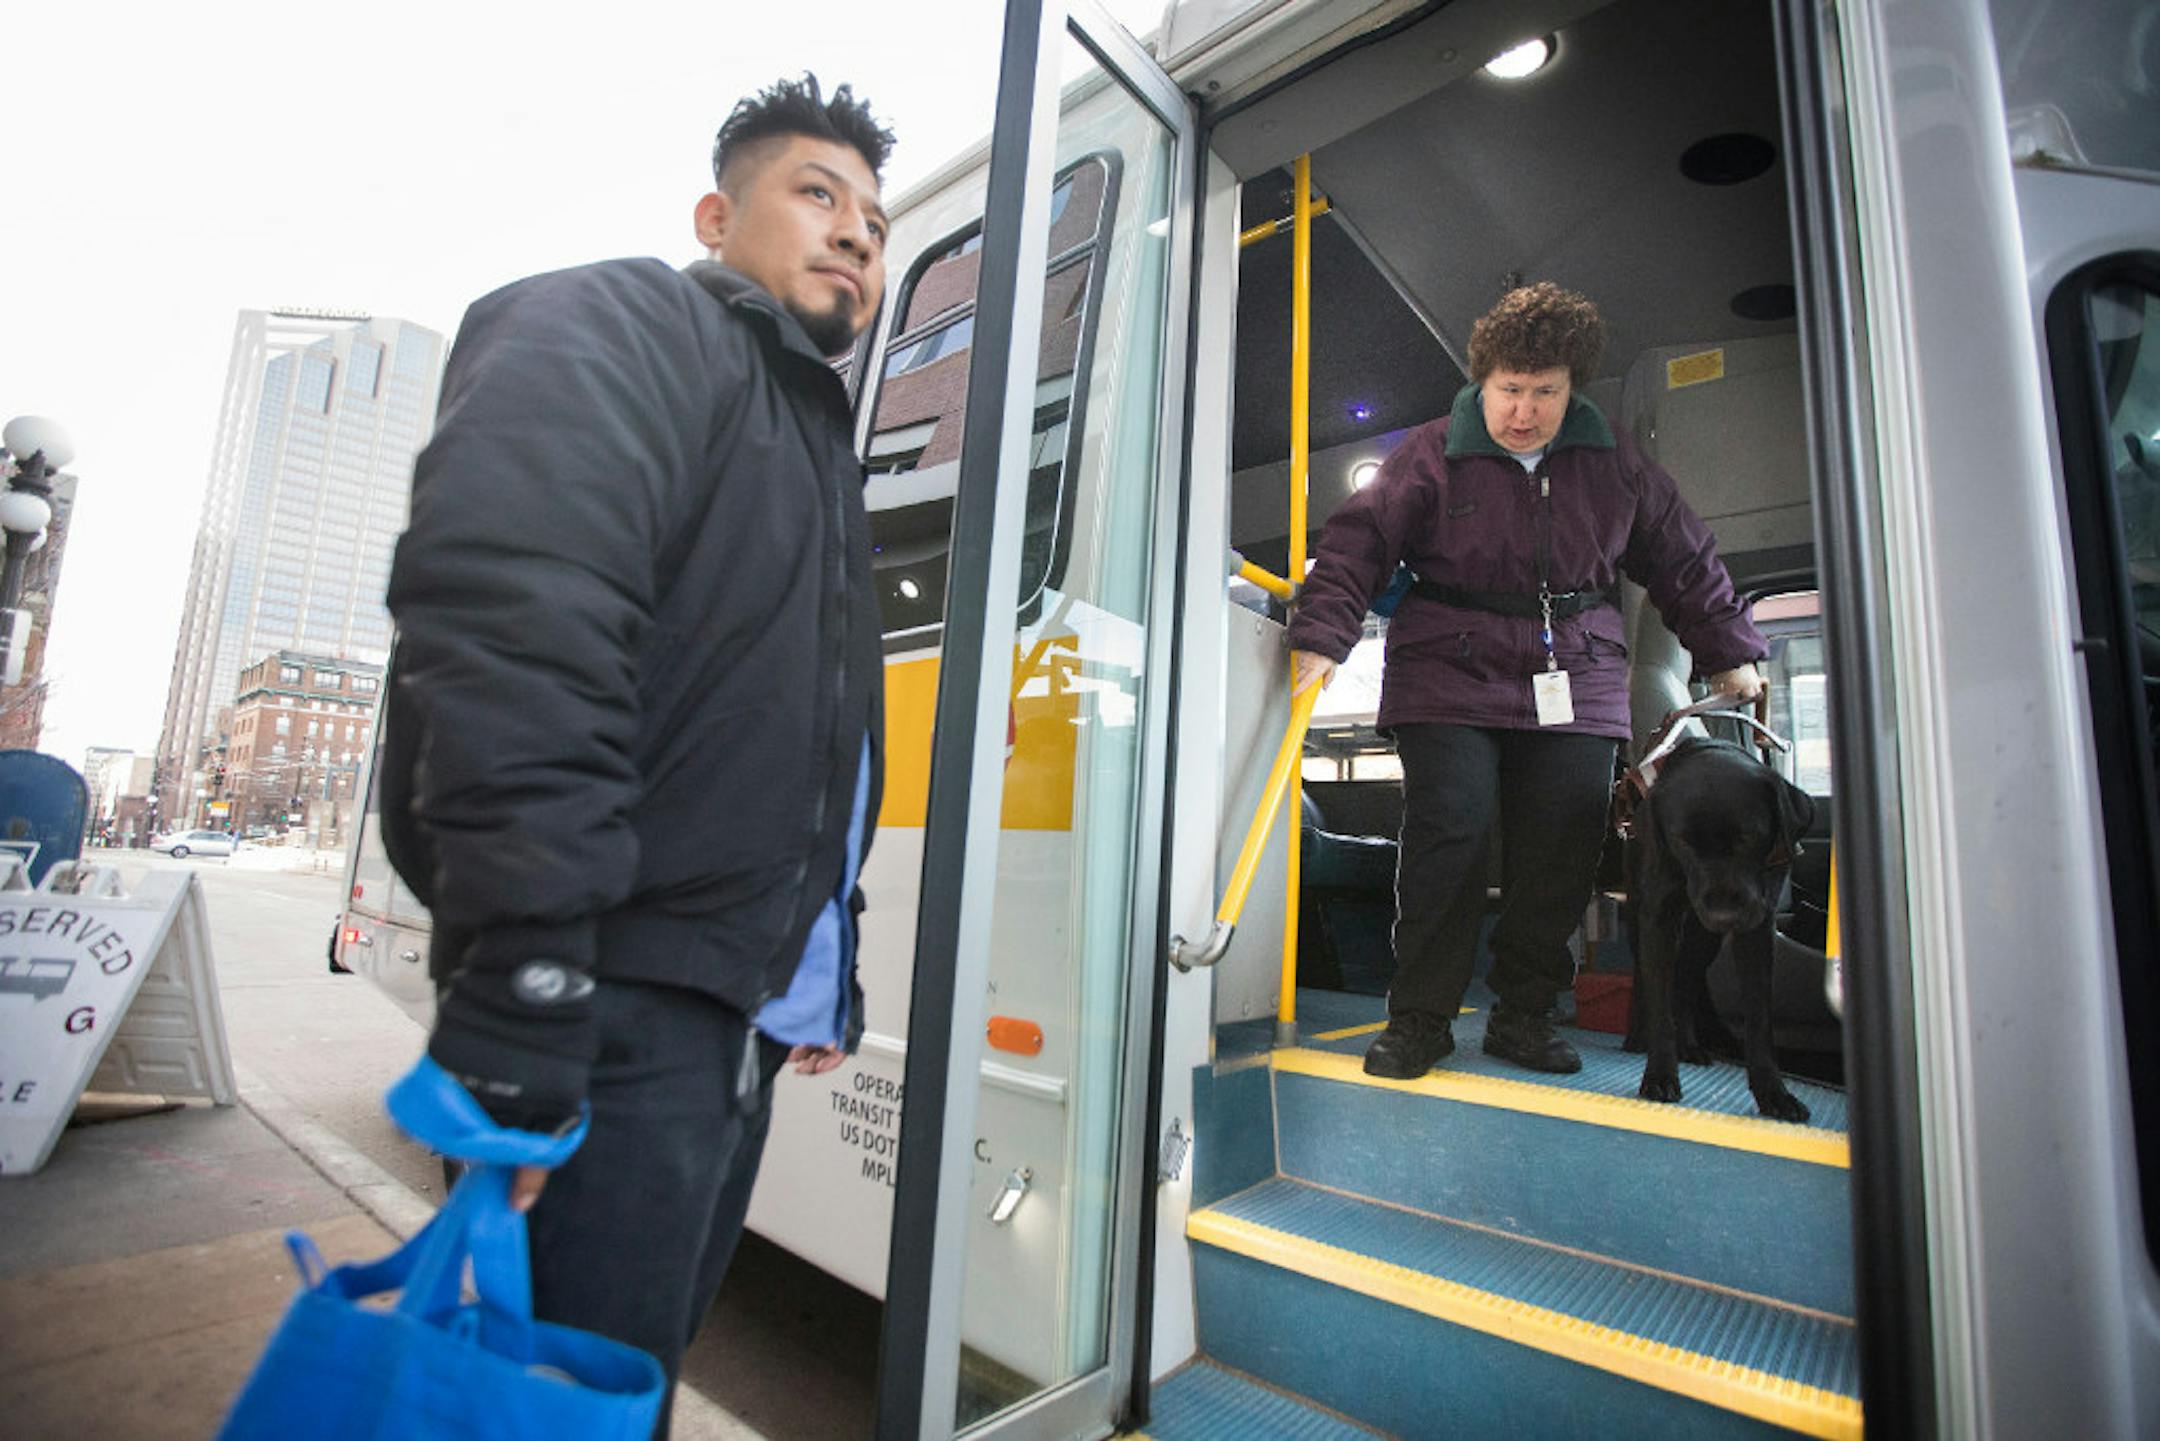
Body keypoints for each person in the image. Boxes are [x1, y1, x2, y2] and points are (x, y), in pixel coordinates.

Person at [376, 74, 892, 1432]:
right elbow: (513, 640)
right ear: (718, 215)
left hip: (724, 1024)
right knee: (538, 1410)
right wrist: (528, 986)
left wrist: (824, 962)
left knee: (610, 1399)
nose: (857, 236)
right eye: (818, 195)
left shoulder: (812, 447)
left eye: (876, 221)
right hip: (610, 1004)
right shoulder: (622, 325)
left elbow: (798, 746)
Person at [1288, 282, 1766, 1081]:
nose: (1524, 410)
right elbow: (1355, 545)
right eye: (1510, 389)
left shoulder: (1613, 461)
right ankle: (1421, 1016)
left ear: (1570, 385)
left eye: (1545, 392)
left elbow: (1682, 557)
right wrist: (1322, 636)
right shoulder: (1432, 453)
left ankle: (1524, 1013)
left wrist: (1728, 647)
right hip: (1448, 662)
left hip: (1574, 667)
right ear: (1484, 381)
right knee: (1453, 831)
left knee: (1563, 847)